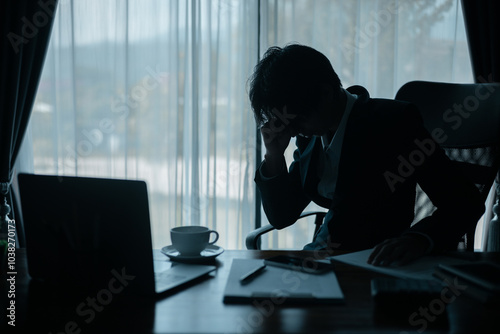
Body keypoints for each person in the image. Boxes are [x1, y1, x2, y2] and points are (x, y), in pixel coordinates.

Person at [249, 44, 484, 266]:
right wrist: (274, 155)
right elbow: (282, 216)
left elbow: (465, 201)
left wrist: (419, 239)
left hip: (374, 263)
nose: (290, 129)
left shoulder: (394, 123)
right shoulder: (309, 137)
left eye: (297, 119)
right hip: (321, 263)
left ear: (326, 93)